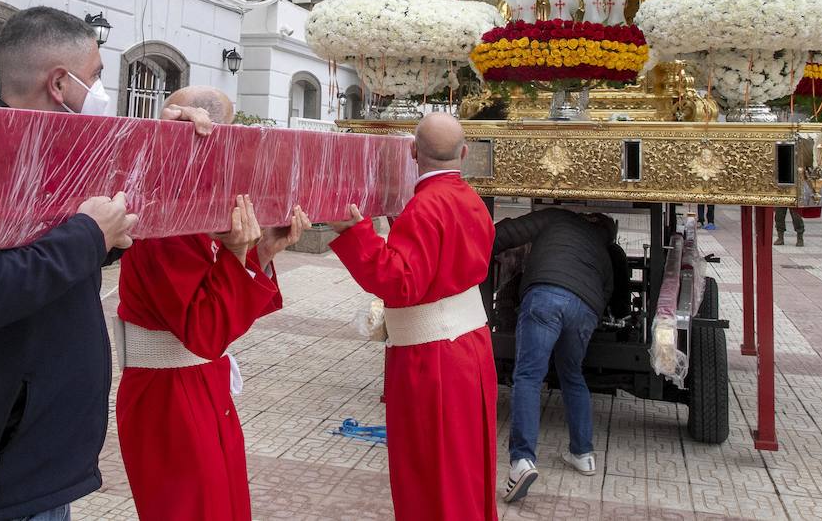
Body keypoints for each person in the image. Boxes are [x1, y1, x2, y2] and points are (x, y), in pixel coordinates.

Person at [0, 7, 210, 521]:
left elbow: (79, 235)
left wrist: (161, 147)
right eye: (97, 76)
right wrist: (87, 237)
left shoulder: (51, 155)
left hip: (31, 470)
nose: (103, 91)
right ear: (60, 83)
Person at [115, 86, 310, 521]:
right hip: (169, 391)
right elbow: (205, 331)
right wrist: (239, 256)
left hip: (201, 380)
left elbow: (222, 312)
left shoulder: (198, 197)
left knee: (225, 505)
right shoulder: (166, 209)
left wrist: (262, 253)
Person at [319, 112, 498, 521]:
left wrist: (354, 231)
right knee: (466, 469)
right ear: (465, 154)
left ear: (413, 152)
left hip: (432, 358)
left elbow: (400, 283)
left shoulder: (425, 206)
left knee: (432, 477)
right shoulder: (471, 199)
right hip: (469, 347)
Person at [494, 206, 617, 502]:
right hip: (585, 308)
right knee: (572, 374)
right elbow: (615, 297)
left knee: (528, 377)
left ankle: (522, 460)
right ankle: (583, 453)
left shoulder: (556, 217)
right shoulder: (605, 250)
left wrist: (475, 242)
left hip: (544, 297)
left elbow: (509, 233)